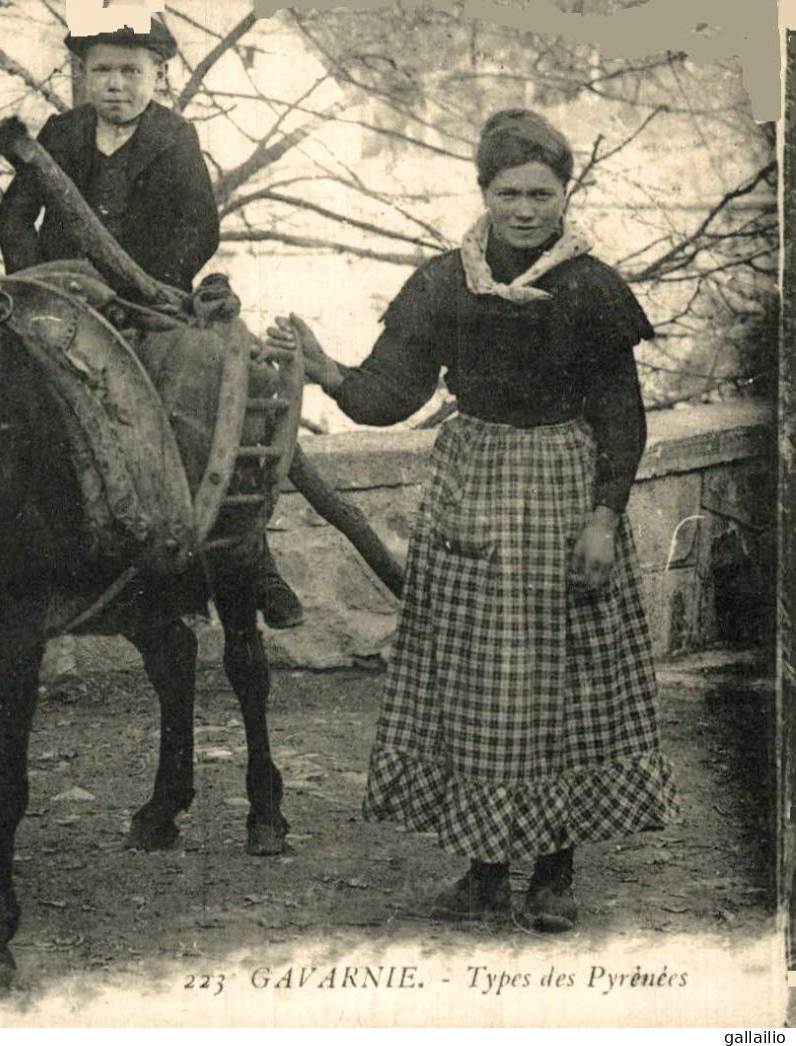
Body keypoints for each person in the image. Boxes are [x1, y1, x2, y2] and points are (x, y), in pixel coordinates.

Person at [265, 109, 678, 932]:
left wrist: (602, 518)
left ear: (565, 194)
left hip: (562, 489)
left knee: (566, 679)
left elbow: (620, 417)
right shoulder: (443, 281)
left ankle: (554, 872)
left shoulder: (591, 287)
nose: (525, 209)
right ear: (482, 193)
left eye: (540, 193)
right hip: (472, 483)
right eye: (507, 193)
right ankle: (483, 872)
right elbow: (391, 395)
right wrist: (326, 371)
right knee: (477, 680)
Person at [0, 13, 303, 628]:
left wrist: (151, 281)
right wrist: (36, 278)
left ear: (158, 74)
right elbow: (13, 217)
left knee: (200, 383)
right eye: (102, 70)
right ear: (82, 75)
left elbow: (200, 227)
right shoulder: (61, 133)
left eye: (131, 71)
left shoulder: (175, 136)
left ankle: (247, 556)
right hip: (61, 298)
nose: (115, 85)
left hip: (149, 299)